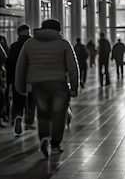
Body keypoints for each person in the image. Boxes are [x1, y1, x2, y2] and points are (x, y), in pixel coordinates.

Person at [14, 19, 79, 157]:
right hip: (59, 84)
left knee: (43, 114)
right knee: (58, 115)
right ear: (58, 30)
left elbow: (20, 67)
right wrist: (74, 87)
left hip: (38, 85)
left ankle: (44, 137)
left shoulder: (29, 44)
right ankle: (55, 145)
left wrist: (21, 88)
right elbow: (73, 69)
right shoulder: (63, 44)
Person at [7, 25, 36, 135]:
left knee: (18, 100)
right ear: (28, 32)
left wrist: (9, 81)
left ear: (18, 33)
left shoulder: (14, 46)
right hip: (31, 78)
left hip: (17, 78)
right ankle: (29, 121)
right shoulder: (32, 45)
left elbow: (9, 65)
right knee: (31, 100)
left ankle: (18, 116)